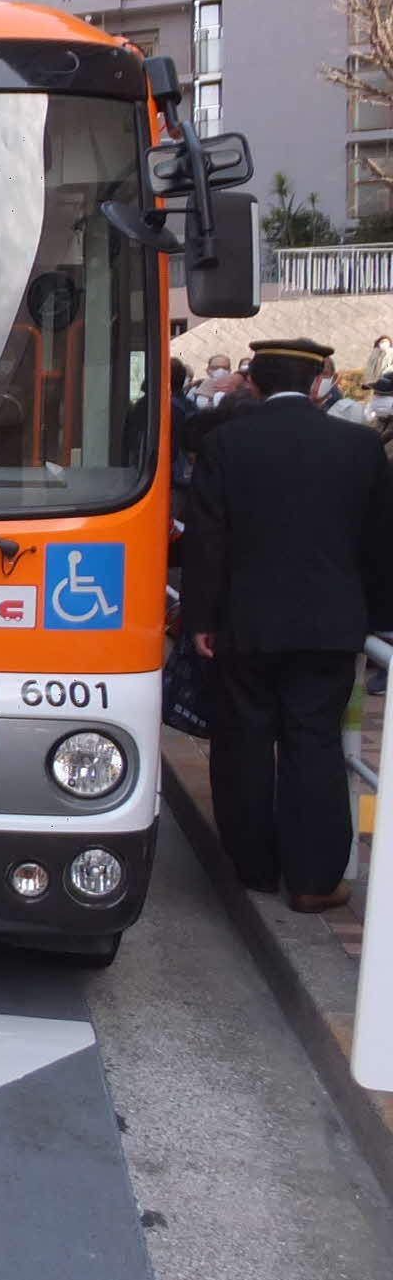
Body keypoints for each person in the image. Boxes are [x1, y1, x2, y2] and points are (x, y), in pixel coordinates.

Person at [185, 338, 393, 912]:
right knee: (315, 743)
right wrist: (378, 617)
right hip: (331, 624)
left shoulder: (227, 442)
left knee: (245, 742)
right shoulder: (359, 446)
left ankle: (252, 867)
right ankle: (313, 879)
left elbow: (208, 541)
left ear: (252, 381)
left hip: (244, 623)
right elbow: (380, 541)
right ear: (318, 383)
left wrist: (201, 618)